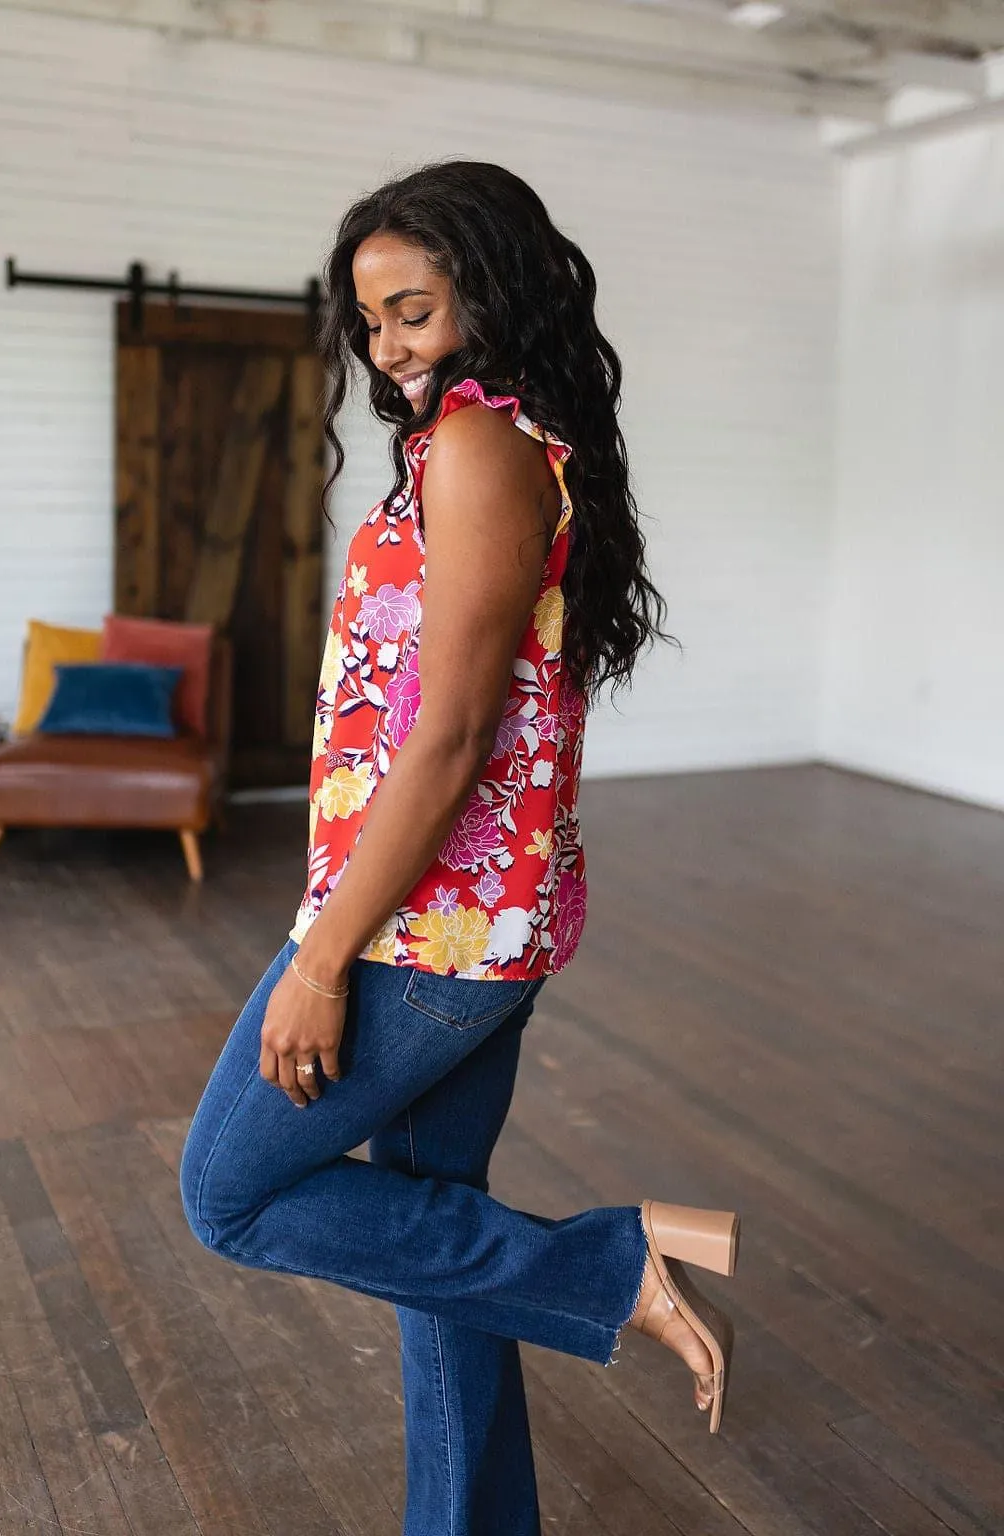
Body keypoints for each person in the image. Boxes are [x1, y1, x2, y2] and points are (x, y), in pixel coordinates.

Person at [181, 160, 739, 1536]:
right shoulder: (490, 441)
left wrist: (320, 960)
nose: (389, 348)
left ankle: (611, 1266)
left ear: (489, 295)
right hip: (470, 921)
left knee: (230, 1195)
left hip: (422, 932)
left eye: (414, 310)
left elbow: (449, 738)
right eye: (371, 323)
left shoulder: (486, 445)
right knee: (438, 1238)